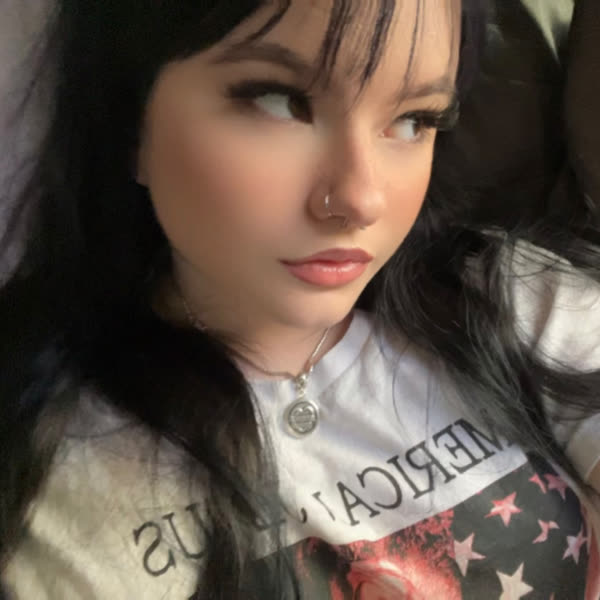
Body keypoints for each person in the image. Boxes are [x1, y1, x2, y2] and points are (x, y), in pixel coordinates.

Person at [1, 0, 600, 598]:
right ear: (131, 124)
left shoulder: (508, 294)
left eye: (414, 119)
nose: (361, 200)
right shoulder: (46, 465)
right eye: (280, 101)